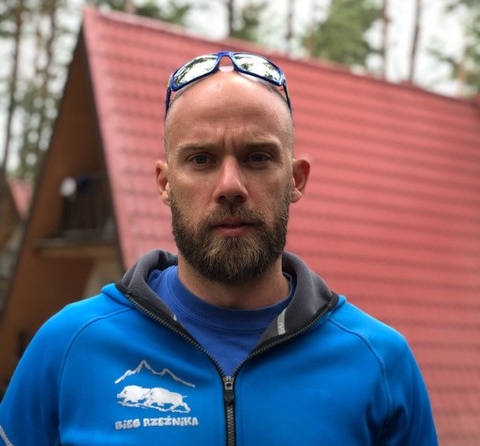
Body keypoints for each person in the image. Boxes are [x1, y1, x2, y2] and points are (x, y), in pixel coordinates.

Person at [0, 51, 438, 445]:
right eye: (201, 159)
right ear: (165, 183)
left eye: (257, 157)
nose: (230, 186)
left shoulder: (380, 363)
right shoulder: (68, 346)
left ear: (296, 179)